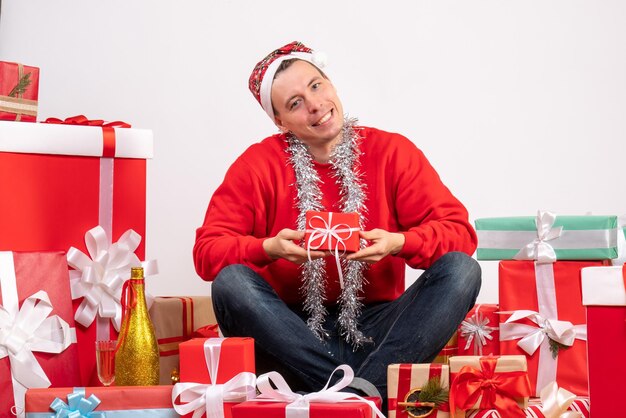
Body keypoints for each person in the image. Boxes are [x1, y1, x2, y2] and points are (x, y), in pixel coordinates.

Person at [193, 41, 481, 405]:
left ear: (331, 84)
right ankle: (363, 397)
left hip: (382, 332)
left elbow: (460, 234)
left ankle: (354, 394)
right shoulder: (256, 165)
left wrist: (398, 243)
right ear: (279, 120)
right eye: (295, 103)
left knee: (462, 270)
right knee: (230, 283)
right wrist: (267, 248)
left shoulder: (391, 152)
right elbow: (206, 253)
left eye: (316, 86)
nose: (315, 105)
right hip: (291, 335)